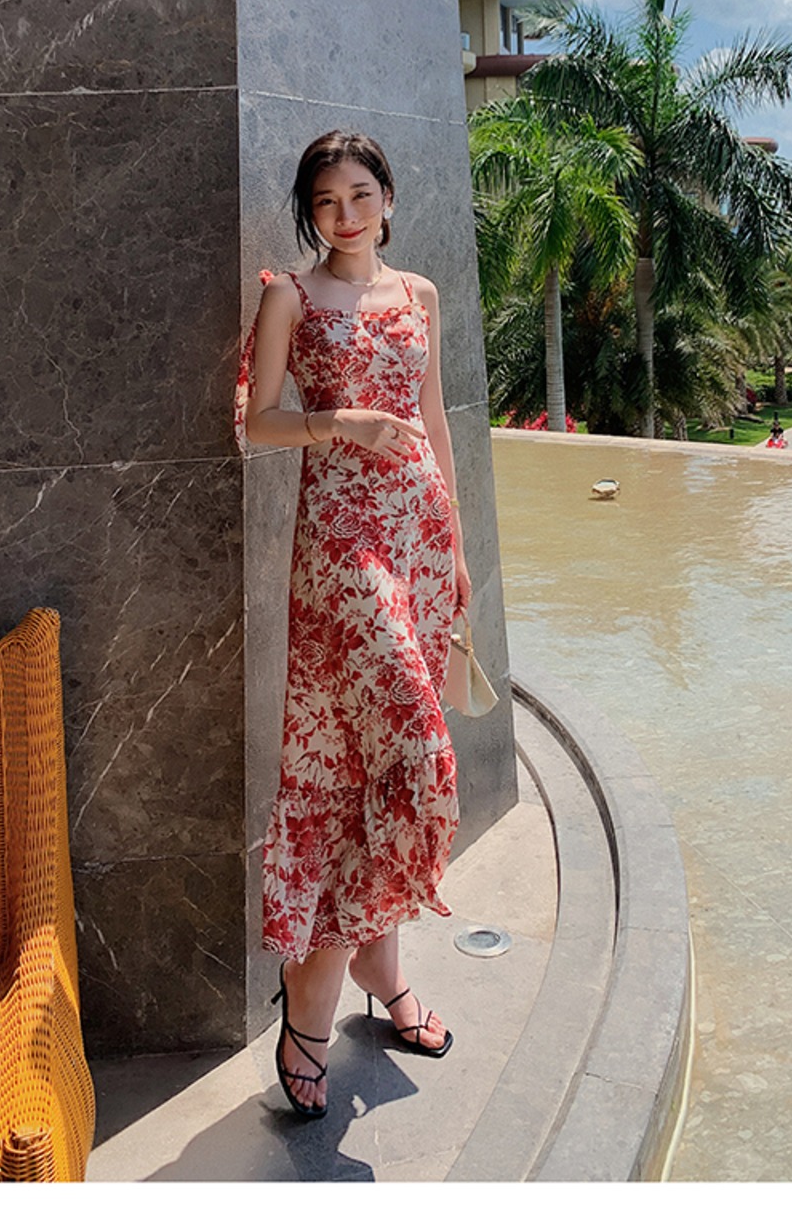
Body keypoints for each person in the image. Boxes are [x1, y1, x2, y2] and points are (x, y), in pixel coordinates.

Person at [234, 131, 471, 1119]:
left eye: (361, 194)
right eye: (326, 199)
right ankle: (321, 992)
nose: (345, 214)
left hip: (416, 538)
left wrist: (456, 548)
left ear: (387, 198)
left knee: (370, 762)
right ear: (309, 210)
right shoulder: (289, 296)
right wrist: (340, 422)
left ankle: (379, 966)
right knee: (408, 745)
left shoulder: (417, 295)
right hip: (341, 550)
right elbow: (255, 421)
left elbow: (435, 420)